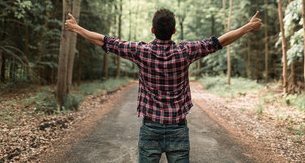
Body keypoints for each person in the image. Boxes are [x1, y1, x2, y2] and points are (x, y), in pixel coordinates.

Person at [65, 9, 262, 163]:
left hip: (150, 128)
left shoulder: (140, 51)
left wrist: (77, 28)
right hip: (178, 129)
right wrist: (248, 27)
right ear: (174, 31)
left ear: (153, 30)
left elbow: (105, 41)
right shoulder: (186, 51)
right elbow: (219, 42)